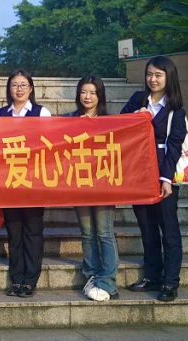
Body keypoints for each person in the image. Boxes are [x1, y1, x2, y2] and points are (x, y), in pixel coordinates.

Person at [122, 56, 187, 302]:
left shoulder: (175, 110)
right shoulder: (137, 100)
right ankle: (152, 276)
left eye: (158, 75)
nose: (153, 79)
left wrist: (166, 179)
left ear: (169, 77)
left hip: (164, 176)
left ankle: (170, 282)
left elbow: (174, 146)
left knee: (168, 229)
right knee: (147, 227)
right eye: (150, 74)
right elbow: (117, 128)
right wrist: (134, 118)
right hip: (139, 174)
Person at [0, 69, 52, 298]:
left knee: (33, 231)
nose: (18, 89)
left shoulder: (41, 112)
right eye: (14, 85)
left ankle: (30, 280)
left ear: (31, 88)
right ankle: (16, 279)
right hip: (9, 181)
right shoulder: (0, 113)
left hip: (34, 181)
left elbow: (50, 144)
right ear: (9, 89)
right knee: (14, 233)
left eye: (23, 85)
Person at [68, 75, 119, 302]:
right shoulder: (69, 119)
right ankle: (91, 276)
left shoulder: (110, 120)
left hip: (103, 185)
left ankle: (107, 280)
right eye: (83, 92)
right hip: (78, 183)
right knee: (88, 234)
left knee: (104, 233)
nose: (87, 97)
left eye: (92, 92)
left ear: (100, 96)